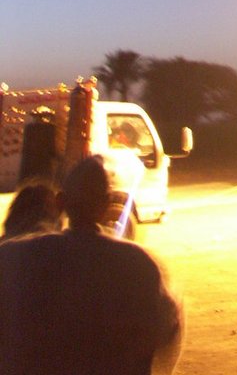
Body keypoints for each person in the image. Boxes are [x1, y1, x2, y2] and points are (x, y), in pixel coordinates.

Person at [0, 156, 182, 374]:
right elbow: (168, 331)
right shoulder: (139, 264)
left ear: (60, 203)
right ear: (107, 203)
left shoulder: (14, 258)